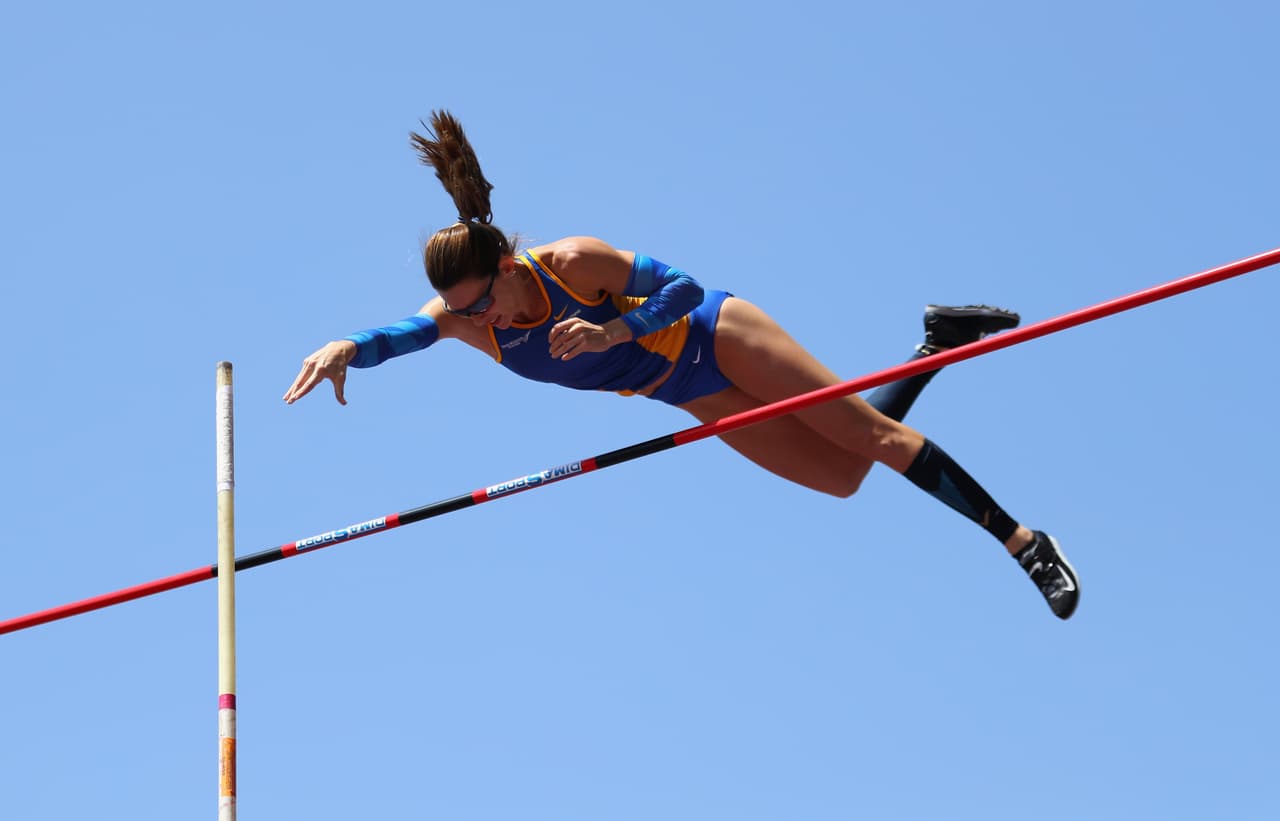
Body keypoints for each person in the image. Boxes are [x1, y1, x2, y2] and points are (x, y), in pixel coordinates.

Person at [284, 110, 1080, 619]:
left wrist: (611, 334)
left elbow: (683, 286)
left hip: (713, 335)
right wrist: (349, 345)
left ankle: (1023, 540)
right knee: (843, 475)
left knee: (874, 441)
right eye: (460, 311)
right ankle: (940, 343)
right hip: (685, 392)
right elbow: (400, 334)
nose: (472, 318)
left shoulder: (573, 261)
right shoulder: (462, 324)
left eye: (478, 301)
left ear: (506, 262)